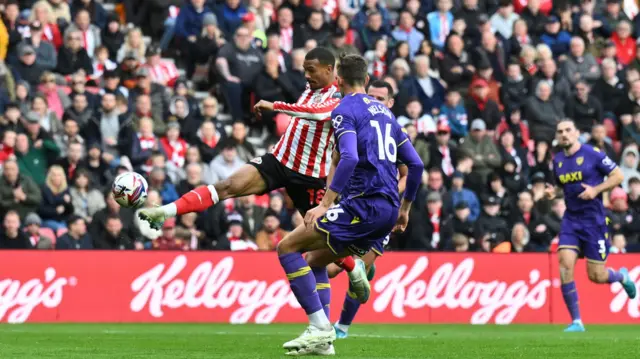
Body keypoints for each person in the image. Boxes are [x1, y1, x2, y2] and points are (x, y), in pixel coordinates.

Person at [138, 47, 360, 276]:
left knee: (323, 238)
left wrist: (274, 105)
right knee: (227, 186)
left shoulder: (337, 96)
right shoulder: (311, 85)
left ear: (329, 70)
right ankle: (165, 211)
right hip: (279, 160)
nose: (306, 75)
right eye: (304, 70)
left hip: (310, 176)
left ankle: (354, 269)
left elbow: (315, 113)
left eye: (311, 70)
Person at [276, 54, 423, 355]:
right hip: (388, 211)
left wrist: (324, 204)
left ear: (338, 81)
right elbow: (417, 165)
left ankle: (319, 328)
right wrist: (405, 210)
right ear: (367, 80)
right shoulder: (386, 115)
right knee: (316, 260)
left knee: (287, 247)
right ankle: (325, 341)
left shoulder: (344, 109)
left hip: (362, 205)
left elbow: (350, 157)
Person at [330, 80, 407, 339]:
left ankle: (342, 326)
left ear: (391, 102)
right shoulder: (356, 123)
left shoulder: (394, 128)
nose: (374, 101)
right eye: (371, 96)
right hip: (353, 203)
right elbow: (339, 159)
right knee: (330, 269)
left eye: (381, 98)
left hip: (381, 207)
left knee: (357, 274)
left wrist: (390, 190)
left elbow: (409, 172)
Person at [546, 119, 636, 332]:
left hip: (594, 222)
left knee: (596, 276)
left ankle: (621, 276)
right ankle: (576, 321)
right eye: (560, 131)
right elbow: (564, 187)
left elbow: (618, 175)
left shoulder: (592, 153)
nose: (564, 134)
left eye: (568, 130)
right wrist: (554, 193)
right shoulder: (558, 160)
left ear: (577, 133)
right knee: (565, 263)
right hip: (571, 220)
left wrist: (596, 190)